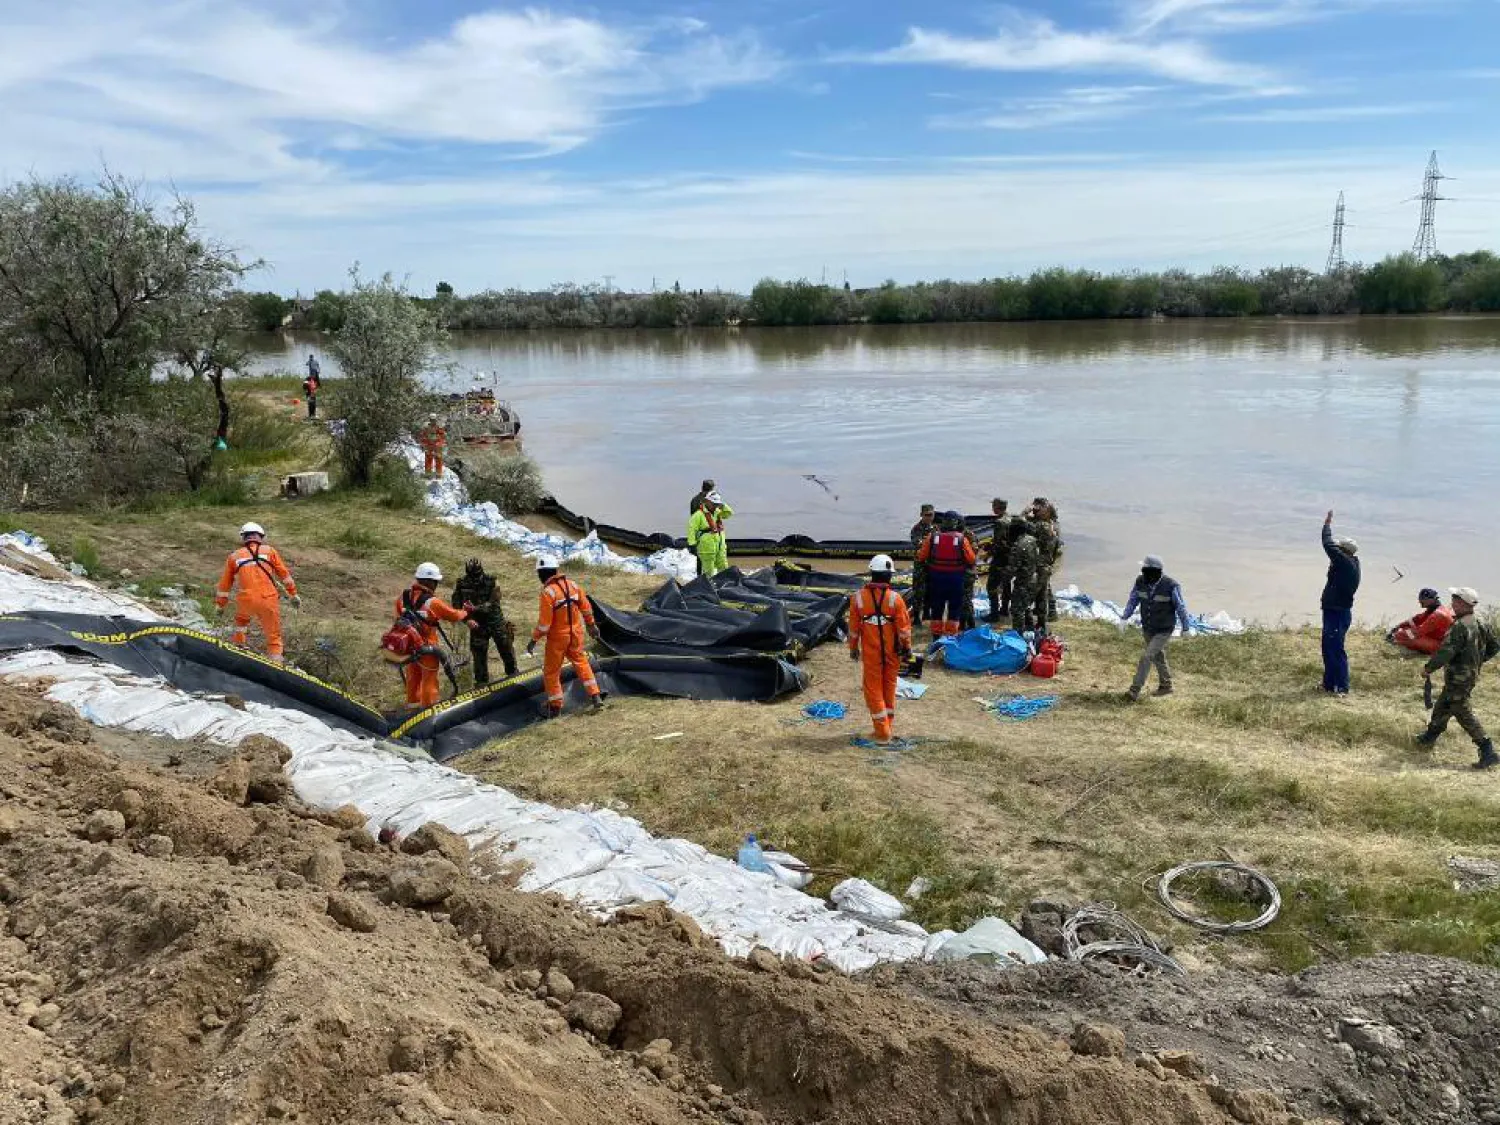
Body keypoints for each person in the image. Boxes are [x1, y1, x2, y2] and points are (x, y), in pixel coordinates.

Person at [1416, 588, 1499, 769]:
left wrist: (1428, 668)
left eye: (1454, 600)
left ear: (1463, 603)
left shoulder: (1460, 626)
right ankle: (1429, 736)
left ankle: (1487, 749)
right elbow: (1494, 646)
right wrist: (1478, 661)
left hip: (1458, 677)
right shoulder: (1480, 621)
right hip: (1469, 675)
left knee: (1461, 710)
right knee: (1444, 704)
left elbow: (1446, 651)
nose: (1452, 604)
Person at [526, 556, 604, 718]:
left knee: (551, 671)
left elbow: (544, 624)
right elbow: (586, 607)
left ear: (544, 573)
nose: (539, 577)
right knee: (581, 663)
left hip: (558, 639)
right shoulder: (573, 586)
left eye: (539, 574)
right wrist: (591, 625)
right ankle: (595, 696)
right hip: (576, 634)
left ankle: (555, 707)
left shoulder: (548, 593)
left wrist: (534, 639)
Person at [849, 554, 913, 744]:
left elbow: (853, 628)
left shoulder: (858, 598)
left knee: (873, 691)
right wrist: (907, 649)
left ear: (871, 573)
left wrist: (853, 648)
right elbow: (903, 629)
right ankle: (887, 726)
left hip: (871, 653)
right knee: (889, 688)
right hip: (893, 653)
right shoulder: (896, 599)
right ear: (889, 576)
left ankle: (882, 733)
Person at [215, 522, 299, 663]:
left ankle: (238, 648)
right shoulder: (270, 551)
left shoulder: (234, 556)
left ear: (244, 538)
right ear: (260, 536)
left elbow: (225, 584)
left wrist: (220, 604)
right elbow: (284, 575)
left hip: (246, 600)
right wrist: (293, 594)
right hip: (268, 599)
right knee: (273, 632)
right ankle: (275, 659)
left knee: (241, 624)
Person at [395, 563, 474, 709]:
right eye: (436, 582)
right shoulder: (433, 602)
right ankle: (429, 710)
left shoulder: (402, 598)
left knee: (413, 675)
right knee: (429, 678)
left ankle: (412, 706)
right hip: (428, 647)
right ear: (430, 582)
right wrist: (465, 611)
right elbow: (454, 615)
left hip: (408, 645)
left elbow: (399, 618)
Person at [1119, 555, 1191, 701]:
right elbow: (1133, 599)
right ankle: (1166, 685)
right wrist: (1124, 617)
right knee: (1158, 656)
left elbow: (1181, 607)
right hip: (1148, 627)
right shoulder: (1140, 582)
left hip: (1164, 629)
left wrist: (1186, 627)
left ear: (1155, 571)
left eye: (1146, 570)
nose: (1143, 573)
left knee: (1147, 656)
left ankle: (1134, 691)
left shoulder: (1171, 585)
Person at [452, 557, 518, 684]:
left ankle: (514, 676)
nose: (474, 579)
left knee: (506, 650)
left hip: (495, 622)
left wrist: (475, 608)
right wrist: (466, 620)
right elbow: (456, 604)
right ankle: (482, 686)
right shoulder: (461, 583)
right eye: (471, 575)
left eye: (476, 575)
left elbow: (493, 603)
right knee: (479, 658)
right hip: (477, 625)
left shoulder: (492, 581)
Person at [1320, 510, 1361, 694]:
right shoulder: (1350, 562)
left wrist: (1327, 525)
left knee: (1336, 649)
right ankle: (1328, 684)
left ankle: (1342, 687)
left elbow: (1328, 544)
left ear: (1343, 552)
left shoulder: (1345, 563)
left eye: (1339, 550)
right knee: (1328, 647)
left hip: (1338, 612)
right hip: (1333, 610)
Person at [916, 511, 974, 637]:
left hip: (936, 579)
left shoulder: (932, 538)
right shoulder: (962, 539)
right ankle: (950, 637)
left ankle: (936, 638)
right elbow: (971, 559)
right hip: (956, 579)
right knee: (954, 609)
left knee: (936, 608)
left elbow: (921, 557)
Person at [1388, 588, 1454, 656]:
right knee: (1406, 629)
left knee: (1408, 636)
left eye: (1422, 599)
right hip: (1434, 638)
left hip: (1440, 645)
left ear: (1431, 599)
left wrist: (1399, 634)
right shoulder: (1433, 610)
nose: (1419, 601)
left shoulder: (1438, 614)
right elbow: (1416, 619)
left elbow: (1418, 632)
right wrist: (1399, 626)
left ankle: (1420, 651)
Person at [983, 499, 1015, 625]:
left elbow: (999, 544)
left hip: (1000, 559)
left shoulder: (1000, 522)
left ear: (997, 507)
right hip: (1010, 558)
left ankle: (994, 614)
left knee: (991, 586)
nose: (992, 507)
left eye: (993, 505)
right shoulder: (1011, 519)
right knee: (1006, 583)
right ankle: (1005, 610)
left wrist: (988, 554)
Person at [687, 491, 733, 577]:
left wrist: (723, 506)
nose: (715, 506)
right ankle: (709, 587)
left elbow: (729, 514)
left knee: (723, 567)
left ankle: (724, 585)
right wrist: (692, 544)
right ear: (707, 502)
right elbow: (691, 529)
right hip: (706, 549)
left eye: (717, 504)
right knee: (708, 571)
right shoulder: (698, 515)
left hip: (720, 546)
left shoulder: (718, 512)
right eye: (714, 503)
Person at [1030, 501, 1061, 627]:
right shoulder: (1052, 525)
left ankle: (1051, 612)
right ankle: (1046, 612)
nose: (1038, 511)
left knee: (1042, 588)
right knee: (1045, 587)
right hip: (1047, 561)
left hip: (1043, 561)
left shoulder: (1045, 526)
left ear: (1048, 512)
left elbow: (1027, 528)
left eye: (1042, 509)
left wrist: (1026, 513)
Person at [1008, 518, 1040, 635]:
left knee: (1017, 610)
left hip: (1023, 581)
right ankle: (1030, 629)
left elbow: (1013, 568)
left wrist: (1003, 582)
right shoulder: (1032, 540)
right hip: (1034, 578)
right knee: (1026, 606)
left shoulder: (1017, 546)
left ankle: (1017, 635)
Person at [908, 504, 936, 621]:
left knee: (930, 589)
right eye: (927, 515)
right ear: (921, 515)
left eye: (931, 515)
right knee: (918, 591)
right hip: (920, 564)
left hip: (932, 564)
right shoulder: (916, 529)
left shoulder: (935, 529)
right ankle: (916, 617)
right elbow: (918, 544)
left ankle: (926, 613)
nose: (929, 517)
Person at [688, 479, 716, 575]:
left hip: (698, 533)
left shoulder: (694, 500)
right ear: (711, 489)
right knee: (710, 558)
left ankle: (700, 578)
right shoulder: (710, 500)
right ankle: (708, 579)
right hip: (708, 534)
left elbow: (692, 520)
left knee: (699, 558)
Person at [418, 413, 447, 479]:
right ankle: (428, 474)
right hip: (429, 445)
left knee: (438, 459)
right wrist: (423, 444)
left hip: (437, 445)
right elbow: (423, 435)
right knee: (428, 459)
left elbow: (442, 436)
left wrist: (441, 443)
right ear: (429, 419)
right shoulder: (426, 427)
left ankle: (438, 474)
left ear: (436, 419)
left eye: (433, 419)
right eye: (431, 419)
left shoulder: (439, 426)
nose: (432, 421)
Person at [303, 355, 321, 420]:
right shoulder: (308, 379)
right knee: (310, 404)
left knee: (314, 404)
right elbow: (304, 386)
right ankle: (310, 416)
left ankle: (314, 415)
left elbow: (318, 385)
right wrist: (307, 393)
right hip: (309, 393)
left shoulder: (316, 379)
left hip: (313, 393)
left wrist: (315, 389)